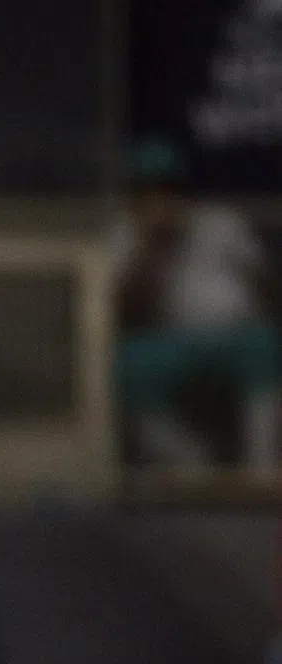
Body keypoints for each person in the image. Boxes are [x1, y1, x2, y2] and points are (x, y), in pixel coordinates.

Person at [112, 137, 281, 472]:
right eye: (149, 190)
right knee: (126, 364)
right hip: (169, 344)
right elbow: (121, 311)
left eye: (169, 189)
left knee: (266, 342)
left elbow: (267, 285)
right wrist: (152, 249)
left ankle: (262, 465)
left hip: (237, 337)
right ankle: (190, 465)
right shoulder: (126, 234)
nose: (161, 199)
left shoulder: (220, 222)